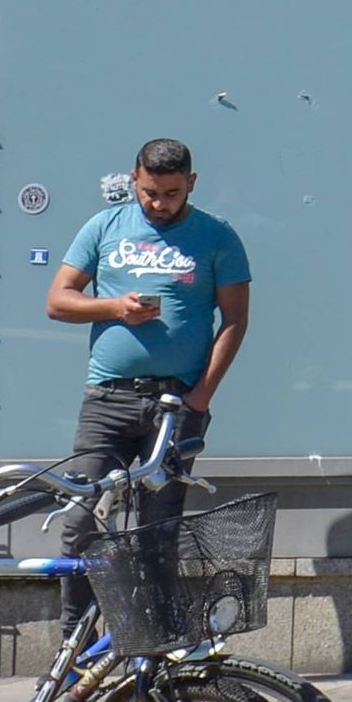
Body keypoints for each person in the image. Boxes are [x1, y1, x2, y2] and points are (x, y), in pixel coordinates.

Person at [39, 136, 252, 480]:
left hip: (177, 401)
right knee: (83, 509)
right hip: (108, 397)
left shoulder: (217, 236)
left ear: (191, 184)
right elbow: (57, 301)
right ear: (134, 179)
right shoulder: (105, 226)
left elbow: (235, 320)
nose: (158, 204)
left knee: (160, 518)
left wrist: (200, 397)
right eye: (149, 193)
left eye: (171, 194)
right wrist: (115, 308)